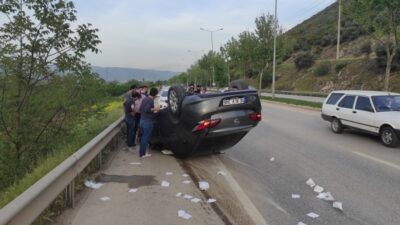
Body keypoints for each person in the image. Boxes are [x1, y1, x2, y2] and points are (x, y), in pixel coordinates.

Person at [138, 88, 160, 158]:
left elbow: (141, 109)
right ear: (155, 95)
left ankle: (142, 152)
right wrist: (156, 109)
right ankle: (143, 154)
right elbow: (147, 109)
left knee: (143, 137)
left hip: (142, 121)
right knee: (145, 138)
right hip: (148, 122)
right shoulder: (150, 100)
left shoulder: (145, 99)